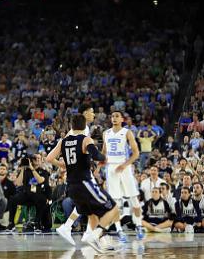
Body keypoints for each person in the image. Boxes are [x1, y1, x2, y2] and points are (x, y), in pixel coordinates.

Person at [47, 114, 121, 253]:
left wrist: (63, 165)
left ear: (71, 126)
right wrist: (105, 157)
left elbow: (49, 158)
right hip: (85, 183)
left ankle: (93, 239)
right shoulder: (85, 139)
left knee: (92, 215)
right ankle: (96, 235)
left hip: (72, 187)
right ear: (84, 125)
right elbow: (96, 155)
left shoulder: (64, 141)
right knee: (114, 209)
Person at [56, 105, 98, 245]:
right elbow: (67, 145)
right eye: (92, 112)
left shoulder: (80, 129)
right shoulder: (82, 130)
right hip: (81, 171)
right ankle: (91, 234)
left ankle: (70, 227)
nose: (94, 114)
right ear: (85, 113)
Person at [102, 111, 144, 242]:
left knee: (134, 201)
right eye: (112, 116)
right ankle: (119, 230)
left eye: (116, 116)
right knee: (116, 204)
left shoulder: (127, 132)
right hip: (111, 169)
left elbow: (136, 153)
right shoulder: (106, 133)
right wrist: (98, 165)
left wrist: (125, 165)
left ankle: (139, 225)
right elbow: (103, 153)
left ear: (121, 119)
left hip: (124, 168)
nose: (114, 118)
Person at [6, 154, 51, 233]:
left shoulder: (43, 172)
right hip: (26, 194)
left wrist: (32, 168)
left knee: (42, 200)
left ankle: (37, 223)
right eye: (34, 158)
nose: (36, 160)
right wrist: (23, 169)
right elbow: (18, 183)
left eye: (38, 158)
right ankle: (11, 223)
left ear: (41, 161)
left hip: (38, 194)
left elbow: (40, 180)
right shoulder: (26, 171)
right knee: (12, 199)